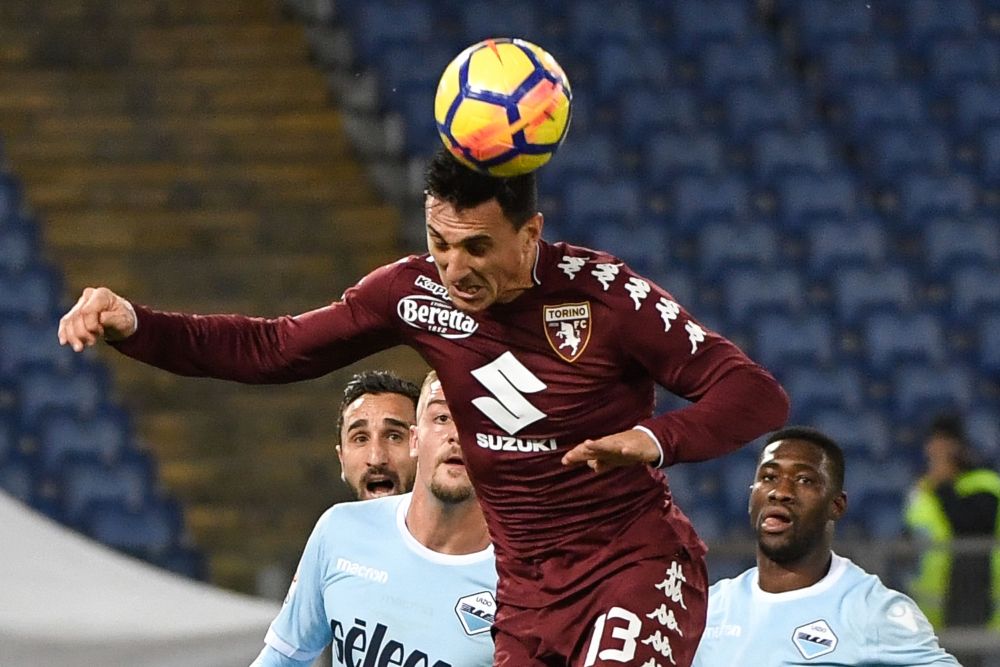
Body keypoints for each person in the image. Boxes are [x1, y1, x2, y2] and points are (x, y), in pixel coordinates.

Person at [58, 148, 789, 665]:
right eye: (440, 243)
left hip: (630, 564)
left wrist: (654, 439)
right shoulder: (412, 293)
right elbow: (274, 347)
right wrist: (139, 326)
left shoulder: (605, 296)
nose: (454, 268)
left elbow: (755, 394)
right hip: (526, 594)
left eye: (477, 248)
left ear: (530, 234)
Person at [251, 371, 496, 666]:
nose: (456, 434)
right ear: (416, 439)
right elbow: (283, 657)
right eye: (442, 418)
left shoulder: (522, 578)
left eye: (476, 420)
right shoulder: (339, 530)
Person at [692, 427, 959, 666]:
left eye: (804, 480)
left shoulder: (872, 610)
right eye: (769, 477)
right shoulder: (711, 609)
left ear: (836, 505)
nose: (780, 492)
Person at [904, 413, 1000, 666]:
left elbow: (970, 528)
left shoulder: (985, 484)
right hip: (930, 614)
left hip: (980, 607)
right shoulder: (923, 491)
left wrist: (944, 485)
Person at [334, 369, 420, 500]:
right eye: (360, 439)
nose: (376, 460)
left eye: (394, 437)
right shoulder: (332, 515)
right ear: (341, 458)